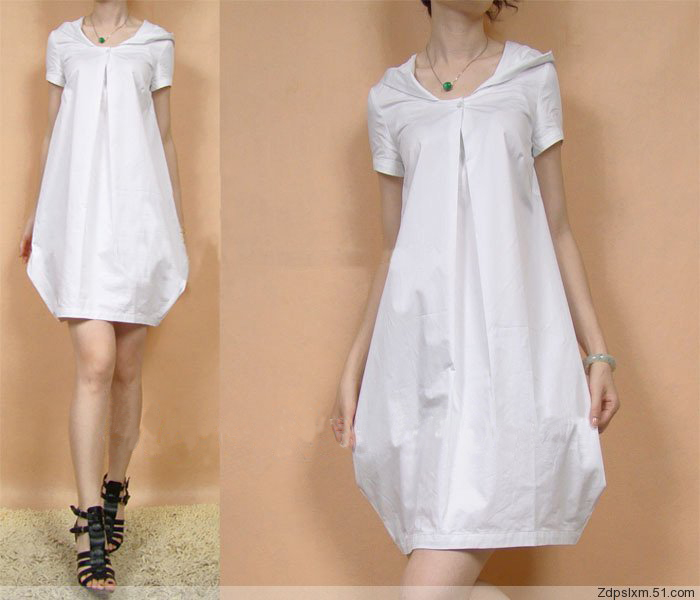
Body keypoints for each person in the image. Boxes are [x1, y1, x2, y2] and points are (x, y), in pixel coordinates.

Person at [331, 1, 620, 597]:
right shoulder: (389, 99)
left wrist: (597, 353)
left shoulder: (530, 76)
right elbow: (390, 249)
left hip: (508, 354)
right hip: (422, 354)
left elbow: (558, 227)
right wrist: (354, 366)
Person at [19, 0, 188, 592]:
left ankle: (116, 487)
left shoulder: (157, 42)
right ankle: (90, 522)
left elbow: (164, 137)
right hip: (80, 219)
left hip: (137, 219)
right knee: (96, 361)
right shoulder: (62, 41)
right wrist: (36, 213)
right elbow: (51, 133)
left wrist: (176, 225)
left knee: (128, 369)